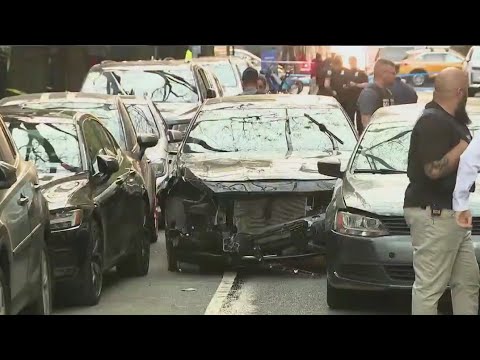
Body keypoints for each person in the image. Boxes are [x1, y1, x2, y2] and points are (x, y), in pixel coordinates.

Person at [403, 67, 479, 315]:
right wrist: (465, 147)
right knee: (429, 288)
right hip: (435, 214)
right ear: (460, 92)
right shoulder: (433, 121)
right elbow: (433, 171)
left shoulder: (452, 122)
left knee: (467, 282)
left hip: (453, 215)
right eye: (466, 89)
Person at [357, 59, 396, 133]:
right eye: (393, 73)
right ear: (383, 74)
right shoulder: (369, 94)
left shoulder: (388, 92)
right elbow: (366, 123)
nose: (395, 76)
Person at [343, 56, 369, 131]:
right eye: (350, 62)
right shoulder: (347, 73)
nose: (352, 63)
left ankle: (360, 134)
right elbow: (344, 85)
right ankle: (351, 133)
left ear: (355, 62)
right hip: (349, 99)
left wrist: (356, 85)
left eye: (353, 62)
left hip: (360, 99)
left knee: (360, 120)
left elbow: (366, 84)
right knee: (350, 119)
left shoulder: (361, 73)